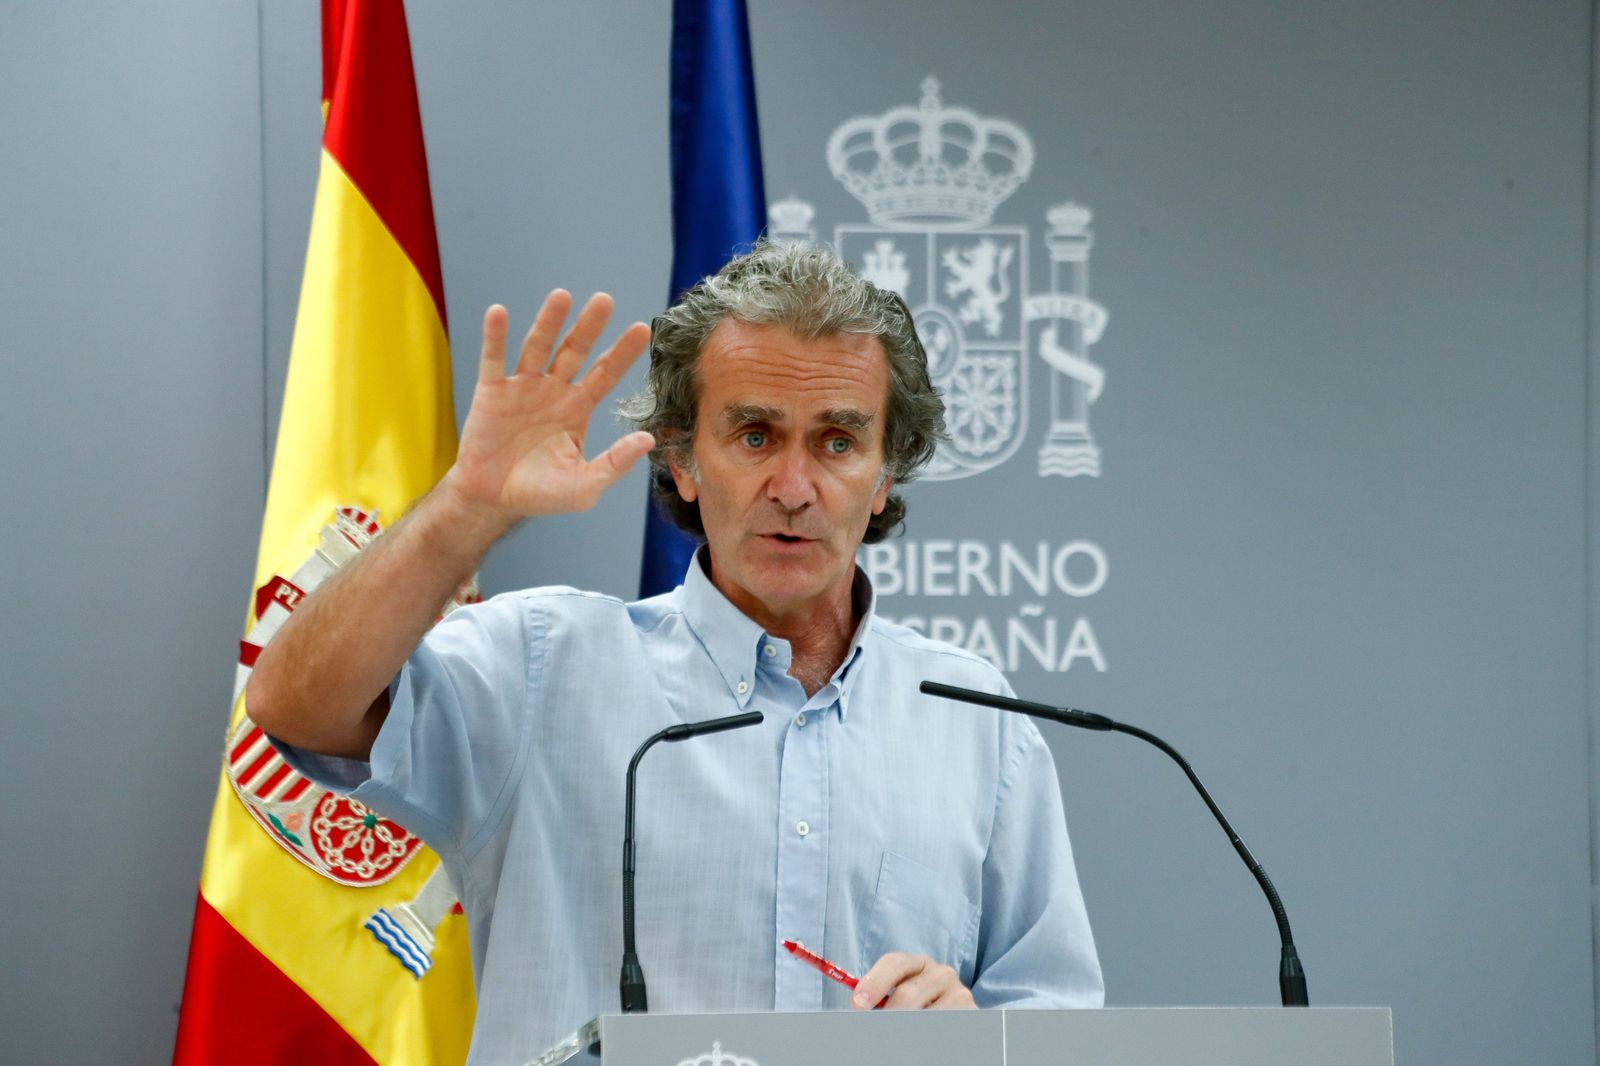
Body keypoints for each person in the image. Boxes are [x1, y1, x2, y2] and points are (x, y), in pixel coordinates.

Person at [249, 241, 1102, 1063]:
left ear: (885, 478)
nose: (795, 488)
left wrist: (974, 1041)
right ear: (683, 459)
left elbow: (1058, 1024)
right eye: (755, 436)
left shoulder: (973, 715)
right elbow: (293, 705)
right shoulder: (542, 665)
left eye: (838, 443)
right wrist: (469, 505)